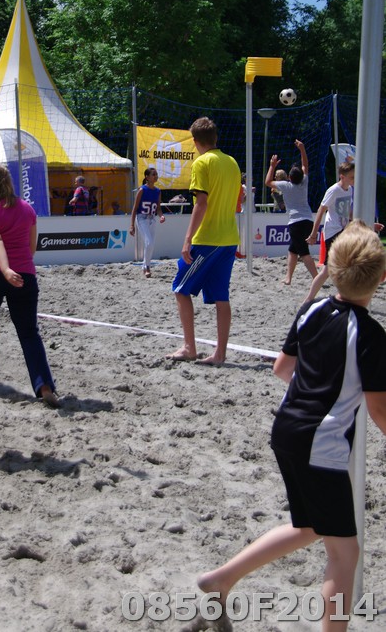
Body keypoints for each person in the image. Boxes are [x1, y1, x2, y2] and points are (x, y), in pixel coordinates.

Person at [185, 221, 386, 632]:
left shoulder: (311, 310)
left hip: (287, 429)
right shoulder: (369, 334)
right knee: (345, 554)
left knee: (310, 528)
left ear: (330, 268)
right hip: (320, 443)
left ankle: (220, 580)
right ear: (381, 279)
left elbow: (281, 369)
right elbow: (379, 409)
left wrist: (319, 386)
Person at [0, 164, 59, 408]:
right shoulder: (27, 208)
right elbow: (32, 248)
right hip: (24, 274)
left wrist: (6, 269)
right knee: (29, 332)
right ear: (9, 182)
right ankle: (44, 385)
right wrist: (15, 267)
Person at [165, 117, 240, 365]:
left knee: (180, 288)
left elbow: (202, 204)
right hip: (229, 238)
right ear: (215, 138)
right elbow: (236, 201)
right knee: (221, 297)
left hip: (208, 239)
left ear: (195, 141)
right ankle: (220, 354)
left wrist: (187, 240)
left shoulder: (201, 162)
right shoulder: (232, 162)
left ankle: (189, 347)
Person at [266, 140, 318, 285]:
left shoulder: (285, 186)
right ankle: (288, 277)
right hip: (308, 220)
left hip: (295, 222)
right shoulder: (304, 182)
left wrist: (272, 166)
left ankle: (317, 278)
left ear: (289, 177)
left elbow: (267, 182)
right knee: (292, 250)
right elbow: (305, 166)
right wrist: (302, 149)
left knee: (304, 253)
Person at [304, 161, 355, 302]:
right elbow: (321, 210)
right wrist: (313, 234)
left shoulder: (349, 190)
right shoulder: (333, 190)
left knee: (347, 264)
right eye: (352, 177)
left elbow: (348, 213)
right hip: (333, 232)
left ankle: (346, 297)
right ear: (342, 177)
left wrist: (367, 223)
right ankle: (308, 300)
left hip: (343, 231)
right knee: (327, 270)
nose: (354, 180)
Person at [129, 167, 165, 278]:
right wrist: (132, 225)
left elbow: (158, 208)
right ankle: (147, 267)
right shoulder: (142, 190)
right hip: (142, 218)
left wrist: (161, 216)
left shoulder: (158, 191)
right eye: (153, 174)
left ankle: (145, 265)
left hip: (152, 219)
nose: (156, 176)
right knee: (149, 242)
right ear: (147, 177)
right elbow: (134, 208)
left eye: (156, 174)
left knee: (151, 244)